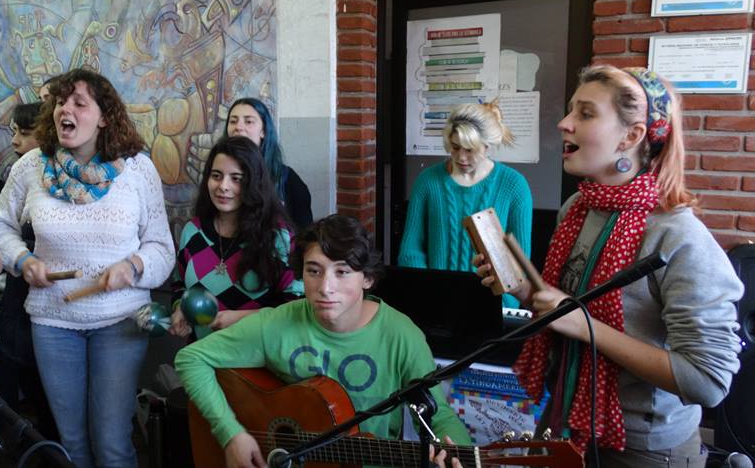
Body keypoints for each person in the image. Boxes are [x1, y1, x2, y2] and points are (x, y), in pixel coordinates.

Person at [476, 66, 743, 467]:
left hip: (643, 450)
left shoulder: (679, 237)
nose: (564, 123)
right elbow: (563, 310)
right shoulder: (577, 209)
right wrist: (523, 289)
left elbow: (707, 381)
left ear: (631, 137)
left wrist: (585, 326)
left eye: (585, 113)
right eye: (571, 110)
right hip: (564, 421)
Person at [176, 214, 470, 468]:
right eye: (314, 271)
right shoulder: (276, 324)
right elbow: (190, 358)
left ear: (367, 278)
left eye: (342, 272)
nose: (325, 287)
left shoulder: (401, 335)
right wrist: (231, 434)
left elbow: (438, 415)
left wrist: (459, 454)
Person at [0, 68, 174, 467]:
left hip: (121, 322)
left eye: (79, 103)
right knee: (71, 444)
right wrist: (23, 260)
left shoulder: (138, 169)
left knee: (112, 443)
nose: (65, 110)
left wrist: (134, 265)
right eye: (61, 102)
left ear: (104, 116)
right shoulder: (31, 167)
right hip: (53, 323)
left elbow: (162, 247)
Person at [398, 100, 532, 307]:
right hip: (435, 302)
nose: (461, 157)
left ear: (487, 146)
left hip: (493, 306)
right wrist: (426, 294)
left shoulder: (514, 185)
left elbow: (519, 262)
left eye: (470, 150)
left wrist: (504, 305)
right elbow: (411, 251)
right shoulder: (427, 182)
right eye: (455, 147)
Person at [168, 136, 303, 339]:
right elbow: (179, 285)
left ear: (254, 182)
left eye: (236, 178)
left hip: (256, 354)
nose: (223, 186)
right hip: (200, 352)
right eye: (216, 176)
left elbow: (296, 306)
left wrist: (240, 319)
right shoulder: (192, 231)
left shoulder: (278, 237)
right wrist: (180, 309)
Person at [0, 101, 57, 440]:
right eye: (14, 132)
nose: (15, 141)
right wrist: (22, 259)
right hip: (20, 297)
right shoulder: (20, 173)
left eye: (26, 133)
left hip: (51, 307)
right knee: (13, 366)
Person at [225, 97, 313, 229]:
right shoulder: (219, 177)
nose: (238, 127)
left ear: (264, 131)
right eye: (233, 121)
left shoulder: (287, 179)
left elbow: (305, 233)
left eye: (248, 121)